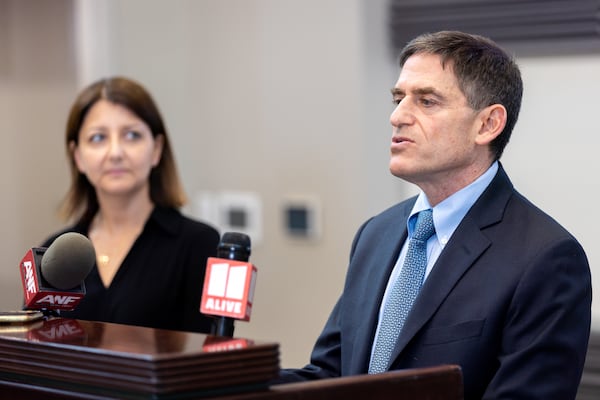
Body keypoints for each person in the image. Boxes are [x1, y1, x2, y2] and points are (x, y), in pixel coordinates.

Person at [276, 31, 592, 399]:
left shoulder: (546, 258)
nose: (397, 117)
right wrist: (218, 379)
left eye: (426, 101)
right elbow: (332, 376)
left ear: (488, 124)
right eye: (398, 99)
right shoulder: (375, 234)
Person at [40, 76, 220, 334]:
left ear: (156, 149)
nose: (115, 153)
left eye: (132, 135)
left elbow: (208, 360)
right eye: (98, 138)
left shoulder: (199, 244)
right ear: (78, 156)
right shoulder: (56, 253)